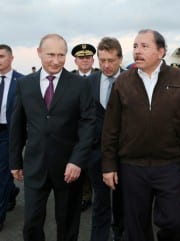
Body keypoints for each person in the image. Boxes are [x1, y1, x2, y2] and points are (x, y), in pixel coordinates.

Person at [101, 29, 180, 241]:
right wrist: (109, 165)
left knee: (175, 221)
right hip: (132, 166)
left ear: (161, 51)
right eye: (135, 46)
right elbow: (111, 128)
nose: (137, 51)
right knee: (135, 227)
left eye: (144, 46)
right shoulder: (123, 82)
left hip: (170, 165)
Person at [9, 33, 95, 241]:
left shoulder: (80, 84)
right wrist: (15, 162)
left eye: (61, 55)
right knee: (32, 222)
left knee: (67, 224)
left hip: (69, 169)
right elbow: (17, 124)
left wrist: (77, 160)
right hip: (35, 165)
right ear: (38, 53)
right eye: (50, 54)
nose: (56, 61)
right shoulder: (25, 84)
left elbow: (88, 124)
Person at [87, 37, 124, 241]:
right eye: (102, 60)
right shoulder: (89, 82)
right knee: (100, 200)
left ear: (120, 58)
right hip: (96, 153)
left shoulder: (132, 80)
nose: (106, 65)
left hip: (124, 153)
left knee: (122, 201)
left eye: (111, 60)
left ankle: (120, 233)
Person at [71, 43, 98, 212]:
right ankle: (85, 196)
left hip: (97, 129)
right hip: (76, 130)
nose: (85, 60)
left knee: (97, 165)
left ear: (93, 59)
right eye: (81, 58)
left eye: (87, 57)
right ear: (75, 61)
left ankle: (101, 196)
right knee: (81, 165)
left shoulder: (101, 76)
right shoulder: (68, 78)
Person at [0, 44, 23, 231]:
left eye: (1, 56)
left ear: (11, 58)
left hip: (10, 132)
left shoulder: (21, 82)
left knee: (2, 173)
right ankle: (11, 192)